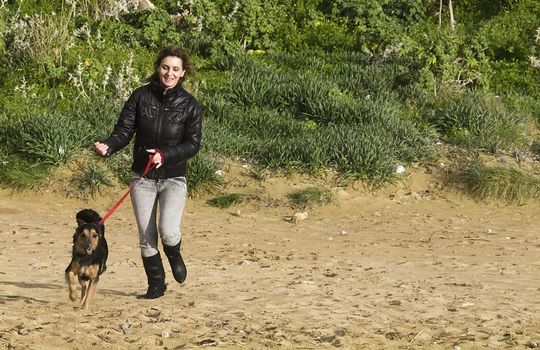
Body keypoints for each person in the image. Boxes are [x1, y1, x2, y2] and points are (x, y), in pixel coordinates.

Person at [94, 46, 202, 299]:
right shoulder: (140, 96)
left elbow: (193, 144)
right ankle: (156, 285)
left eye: (175, 69)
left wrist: (165, 155)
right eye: (165, 67)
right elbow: (124, 130)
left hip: (174, 177)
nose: (169, 73)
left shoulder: (190, 105)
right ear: (158, 68)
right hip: (142, 178)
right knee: (147, 235)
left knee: (168, 230)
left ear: (183, 72)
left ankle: (174, 254)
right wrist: (108, 146)